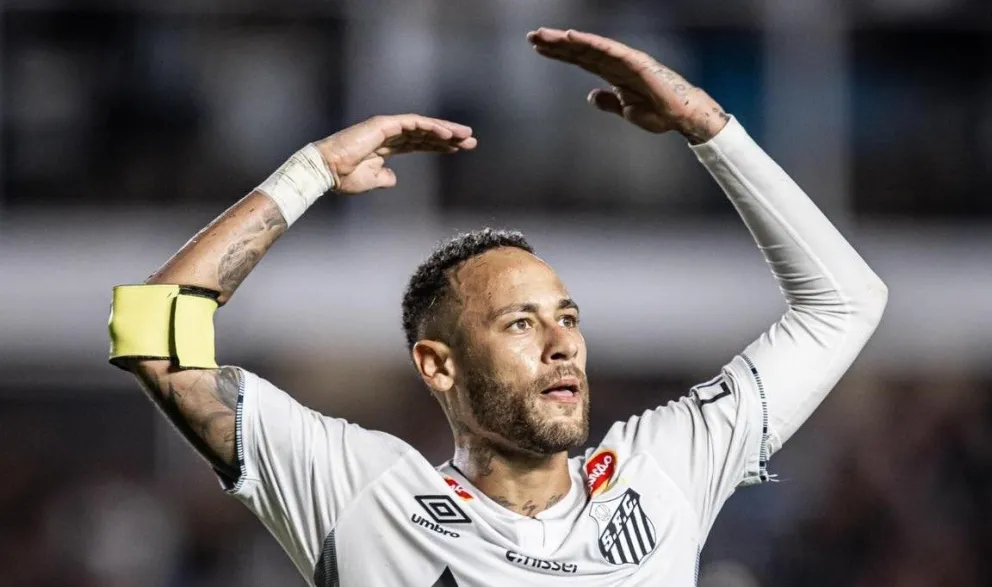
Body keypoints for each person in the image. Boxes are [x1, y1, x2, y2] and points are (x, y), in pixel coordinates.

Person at [109, 28, 887, 586]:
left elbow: (845, 302)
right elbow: (151, 332)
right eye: (521, 322)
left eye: (568, 317)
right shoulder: (366, 494)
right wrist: (310, 171)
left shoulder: (661, 474)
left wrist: (706, 127)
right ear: (437, 364)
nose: (561, 345)